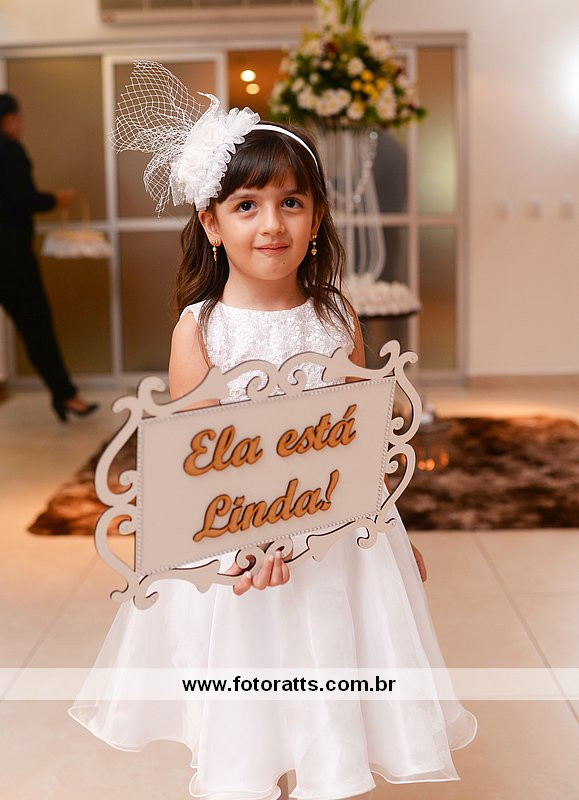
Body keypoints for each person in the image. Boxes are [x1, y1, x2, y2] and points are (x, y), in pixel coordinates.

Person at [69, 62, 476, 800]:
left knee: (327, 675)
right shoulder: (200, 328)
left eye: (291, 202)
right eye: (247, 205)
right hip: (238, 540)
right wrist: (242, 543)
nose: (271, 224)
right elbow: (193, 461)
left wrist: (389, 524)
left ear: (316, 217)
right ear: (211, 222)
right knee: (249, 690)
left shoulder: (336, 315)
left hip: (333, 540)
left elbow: (358, 439)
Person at [0, 92, 98, 422]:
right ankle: (66, 396)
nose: (21, 124)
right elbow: (21, 199)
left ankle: (65, 395)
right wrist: (56, 199)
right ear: (9, 118)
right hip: (10, 259)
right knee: (36, 325)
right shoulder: (9, 150)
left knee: (34, 326)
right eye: (19, 118)